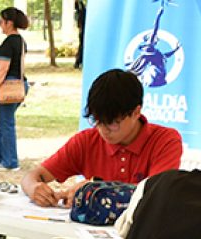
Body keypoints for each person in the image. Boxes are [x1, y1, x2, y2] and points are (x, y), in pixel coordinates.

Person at [20, 69, 183, 207]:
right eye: (97, 120)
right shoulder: (87, 140)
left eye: (112, 123)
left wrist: (94, 190)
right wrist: (34, 187)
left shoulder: (165, 140)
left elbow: (153, 195)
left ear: (136, 112)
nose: (103, 130)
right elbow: (33, 175)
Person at [0, 7, 28, 171]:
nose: (0, 24)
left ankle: (10, 162)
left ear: (9, 23)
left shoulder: (8, 42)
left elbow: (3, 69)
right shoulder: (21, 40)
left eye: (1, 21)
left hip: (8, 86)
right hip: (20, 83)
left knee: (6, 124)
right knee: (4, 122)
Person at [73, 0, 86, 69]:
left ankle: (78, 62)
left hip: (83, 30)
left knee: (82, 47)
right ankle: (78, 62)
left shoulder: (81, 9)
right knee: (82, 47)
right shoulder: (82, 10)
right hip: (83, 30)